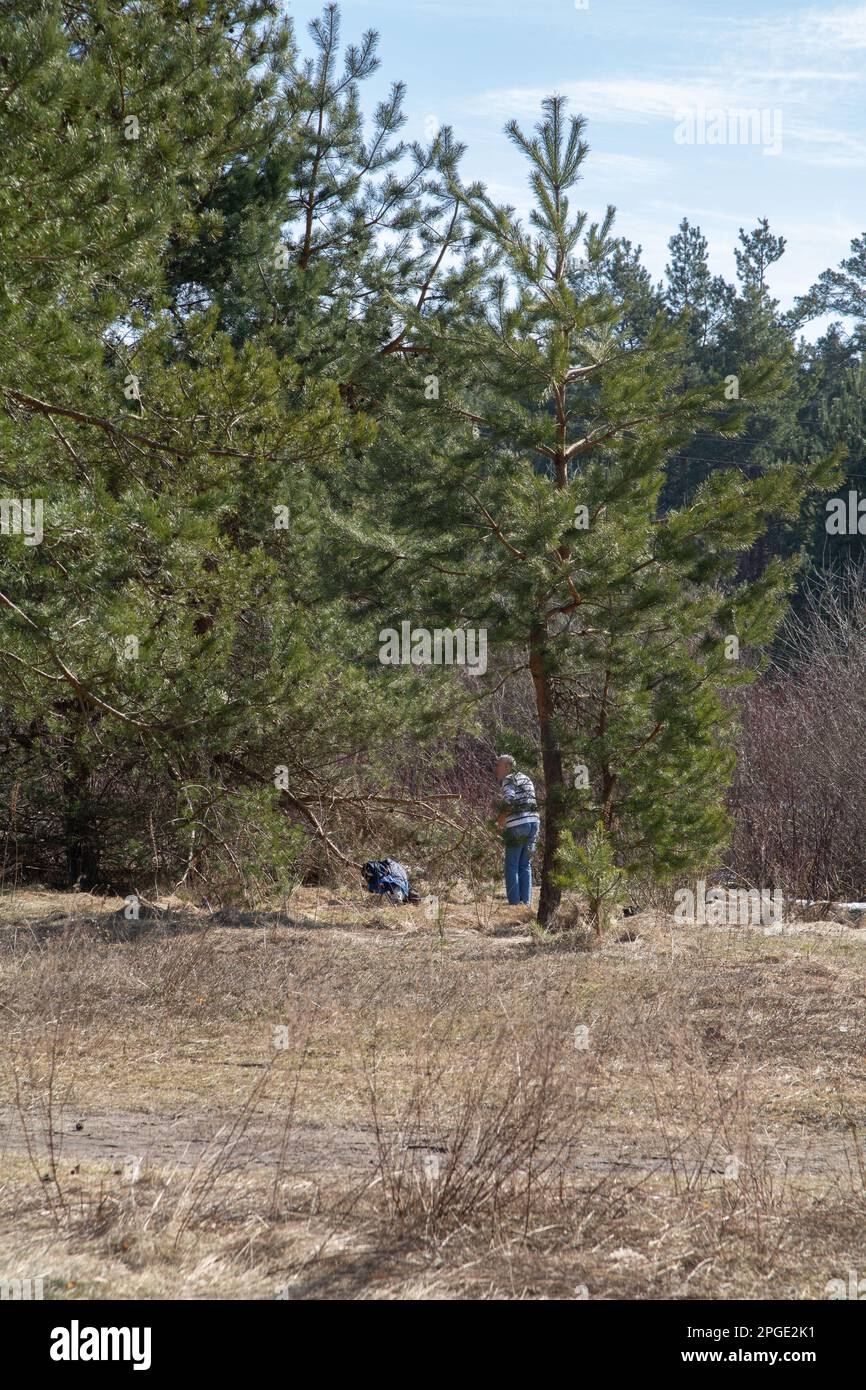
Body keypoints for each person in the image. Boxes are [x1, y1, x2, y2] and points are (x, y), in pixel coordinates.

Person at [495, 754, 540, 907]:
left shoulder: (509, 779)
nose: (496, 770)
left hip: (518, 826)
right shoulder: (526, 778)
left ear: (506, 767)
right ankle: (525, 903)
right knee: (525, 865)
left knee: (511, 865)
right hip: (534, 823)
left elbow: (509, 800)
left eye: (498, 766)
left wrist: (501, 818)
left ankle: (514, 904)